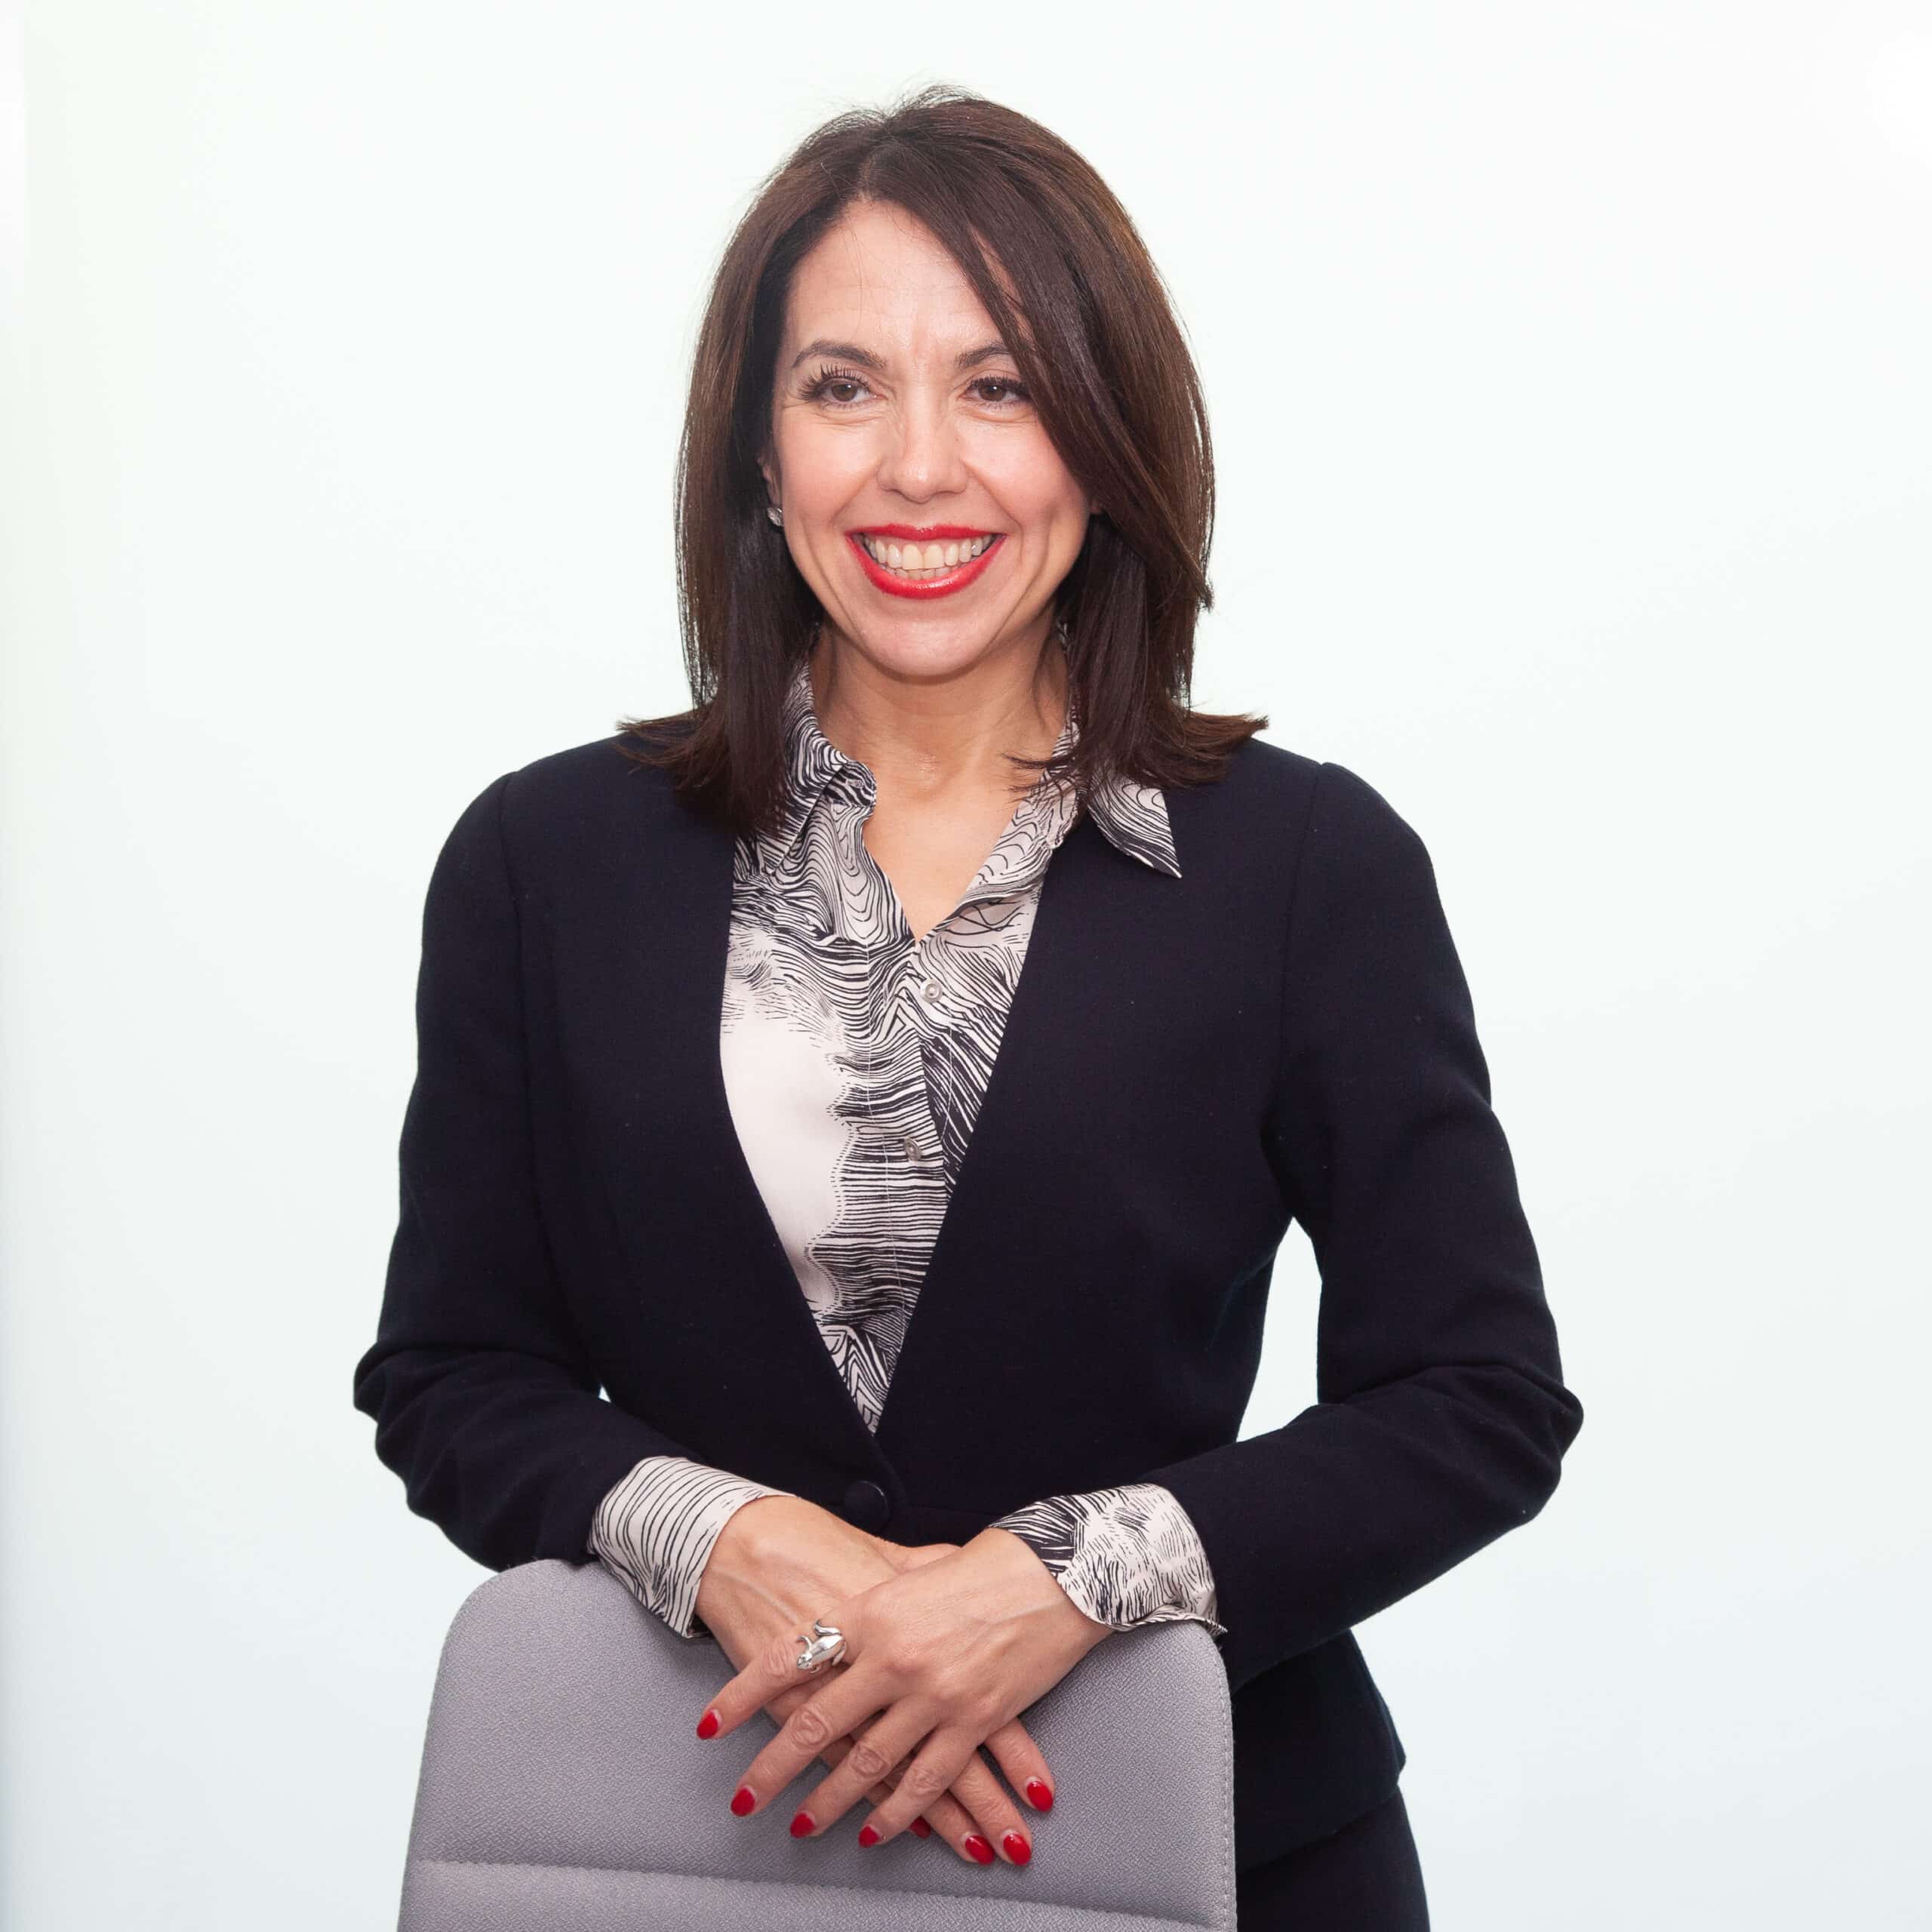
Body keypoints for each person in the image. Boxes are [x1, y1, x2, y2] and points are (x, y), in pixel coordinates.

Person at [352, 85, 1583, 1929]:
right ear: (759, 453)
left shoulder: (1306, 868)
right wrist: (726, 1536)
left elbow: (1475, 1396)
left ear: (1101, 444)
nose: (917, 466)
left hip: (1213, 1842)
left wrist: (1067, 1575)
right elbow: (453, 1374)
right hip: (692, 1836)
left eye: (998, 386)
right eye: (842, 386)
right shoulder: (545, 859)